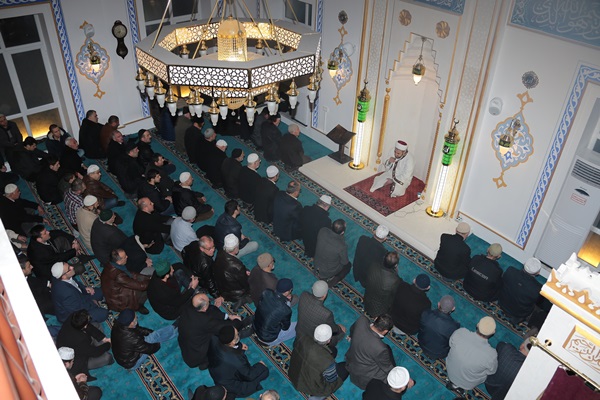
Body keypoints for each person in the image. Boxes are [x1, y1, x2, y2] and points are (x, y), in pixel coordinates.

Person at [178, 293, 252, 370]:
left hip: (188, 343)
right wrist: (237, 321)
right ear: (204, 308)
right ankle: (206, 361)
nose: (210, 302)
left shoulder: (190, 306)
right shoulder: (205, 321)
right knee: (222, 335)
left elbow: (210, 309)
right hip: (197, 354)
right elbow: (225, 327)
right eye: (208, 302)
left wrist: (227, 316)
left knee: (212, 321)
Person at [207, 325, 269, 398]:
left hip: (215, 372)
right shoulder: (237, 360)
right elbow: (249, 375)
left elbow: (228, 345)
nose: (239, 334)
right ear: (233, 342)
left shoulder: (214, 338)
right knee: (265, 371)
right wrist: (260, 365)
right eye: (237, 334)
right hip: (230, 385)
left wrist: (239, 346)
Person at [288, 324, 348, 398]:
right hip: (308, 386)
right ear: (329, 340)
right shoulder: (328, 361)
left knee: (333, 350)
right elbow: (331, 379)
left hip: (293, 374)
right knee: (345, 367)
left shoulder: (301, 338)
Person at [111, 308, 178, 370]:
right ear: (131, 323)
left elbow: (137, 329)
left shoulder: (118, 325)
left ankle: (173, 329)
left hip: (123, 357)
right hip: (132, 363)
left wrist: (150, 332)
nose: (137, 317)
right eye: (135, 317)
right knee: (152, 338)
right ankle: (176, 329)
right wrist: (157, 345)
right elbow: (148, 349)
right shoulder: (133, 338)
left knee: (154, 335)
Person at [446, 316, 498, 392]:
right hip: (468, 384)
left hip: (450, 371)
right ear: (493, 332)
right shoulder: (491, 354)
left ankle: (454, 384)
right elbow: (491, 371)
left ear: (477, 325)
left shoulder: (460, 333)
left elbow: (450, 344)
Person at [56, 309, 113, 377]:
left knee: (96, 325)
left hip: (80, 345)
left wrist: (103, 339)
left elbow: (87, 326)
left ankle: (101, 346)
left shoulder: (73, 317)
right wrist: (108, 344)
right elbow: (94, 352)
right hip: (81, 359)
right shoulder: (80, 340)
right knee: (107, 357)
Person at [345, 314, 396, 390]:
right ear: (385, 331)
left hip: (351, 361)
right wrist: (399, 376)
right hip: (364, 375)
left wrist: (351, 336)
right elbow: (387, 367)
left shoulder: (362, 320)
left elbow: (352, 329)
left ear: (375, 319)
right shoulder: (380, 348)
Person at [297, 280, 346, 347]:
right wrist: (340, 329)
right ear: (324, 295)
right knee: (341, 333)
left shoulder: (304, 295)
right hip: (313, 338)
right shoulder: (326, 314)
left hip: (300, 330)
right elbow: (333, 329)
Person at [100, 248, 151, 314]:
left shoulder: (111, 264)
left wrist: (145, 277)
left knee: (142, 280)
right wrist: (151, 281)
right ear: (119, 262)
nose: (127, 256)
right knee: (146, 288)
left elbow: (129, 273)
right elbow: (141, 286)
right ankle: (139, 306)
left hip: (115, 290)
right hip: (119, 301)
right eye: (124, 257)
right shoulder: (119, 276)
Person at [498, 257, 544, 324]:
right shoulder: (538, 288)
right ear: (538, 273)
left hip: (502, 302)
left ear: (524, 264)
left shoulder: (510, 271)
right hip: (519, 313)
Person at [213, 234, 252, 310]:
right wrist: (247, 276)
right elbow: (244, 283)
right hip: (235, 294)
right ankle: (244, 299)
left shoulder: (220, 252)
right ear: (236, 248)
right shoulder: (237, 266)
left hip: (221, 287)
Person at [253, 278, 296, 346]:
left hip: (256, 328)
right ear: (287, 292)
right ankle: (272, 343)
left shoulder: (266, 292)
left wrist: (284, 299)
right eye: (290, 290)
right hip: (269, 338)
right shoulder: (285, 310)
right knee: (298, 326)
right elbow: (285, 327)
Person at [417, 295, 460, 359]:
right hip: (439, 354)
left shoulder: (426, 314)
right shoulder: (454, 327)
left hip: (422, 343)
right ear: (453, 308)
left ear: (438, 304)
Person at [182, 236, 223, 303]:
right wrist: (217, 296)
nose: (213, 250)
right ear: (201, 248)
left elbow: (183, 251)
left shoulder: (194, 243)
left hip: (191, 269)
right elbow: (209, 282)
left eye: (213, 246)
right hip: (200, 278)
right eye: (209, 248)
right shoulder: (205, 264)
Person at [314, 219, 351, 287]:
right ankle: (334, 280)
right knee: (348, 265)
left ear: (331, 226)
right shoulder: (342, 246)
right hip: (327, 272)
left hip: (316, 264)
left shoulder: (322, 230)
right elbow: (344, 262)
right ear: (342, 232)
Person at [364, 251, 401, 317]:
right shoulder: (395, 280)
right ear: (395, 265)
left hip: (367, 300)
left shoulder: (373, 266)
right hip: (379, 310)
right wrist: (395, 273)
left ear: (384, 259)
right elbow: (394, 296)